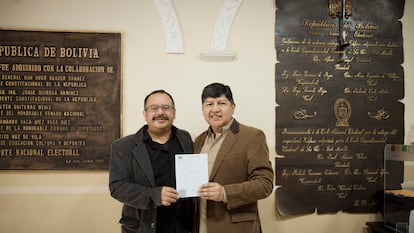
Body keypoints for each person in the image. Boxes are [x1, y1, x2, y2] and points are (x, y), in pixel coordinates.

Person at [109, 89, 194, 233]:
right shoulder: (123, 146)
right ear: (145, 114)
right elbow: (117, 187)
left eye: (166, 107)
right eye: (154, 108)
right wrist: (154, 195)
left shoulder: (185, 139)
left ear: (174, 112)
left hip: (183, 225)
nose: (160, 112)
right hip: (143, 227)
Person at [194, 82, 274, 233]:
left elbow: (265, 184)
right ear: (203, 109)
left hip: (236, 228)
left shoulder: (252, 136)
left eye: (222, 103)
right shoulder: (199, 141)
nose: (215, 109)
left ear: (233, 107)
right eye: (209, 104)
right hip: (201, 226)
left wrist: (224, 193)